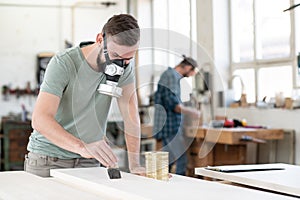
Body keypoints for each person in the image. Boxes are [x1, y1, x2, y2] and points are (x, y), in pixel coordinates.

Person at [25, 14, 144, 177]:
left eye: (128, 58)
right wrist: (82, 147)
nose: (120, 65)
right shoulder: (64, 63)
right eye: (115, 56)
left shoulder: (125, 67)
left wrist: (135, 165)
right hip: (48, 160)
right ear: (100, 40)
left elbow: (131, 115)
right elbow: (40, 120)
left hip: (89, 162)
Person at [153, 56, 201, 175]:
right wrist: (193, 112)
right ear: (188, 67)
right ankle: (180, 188)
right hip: (170, 126)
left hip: (170, 125)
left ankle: (166, 187)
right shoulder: (171, 76)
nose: (189, 76)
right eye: (191, 73)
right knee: (181, 159)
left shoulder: (171, 76)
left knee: (168, 160)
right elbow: (174, 105)